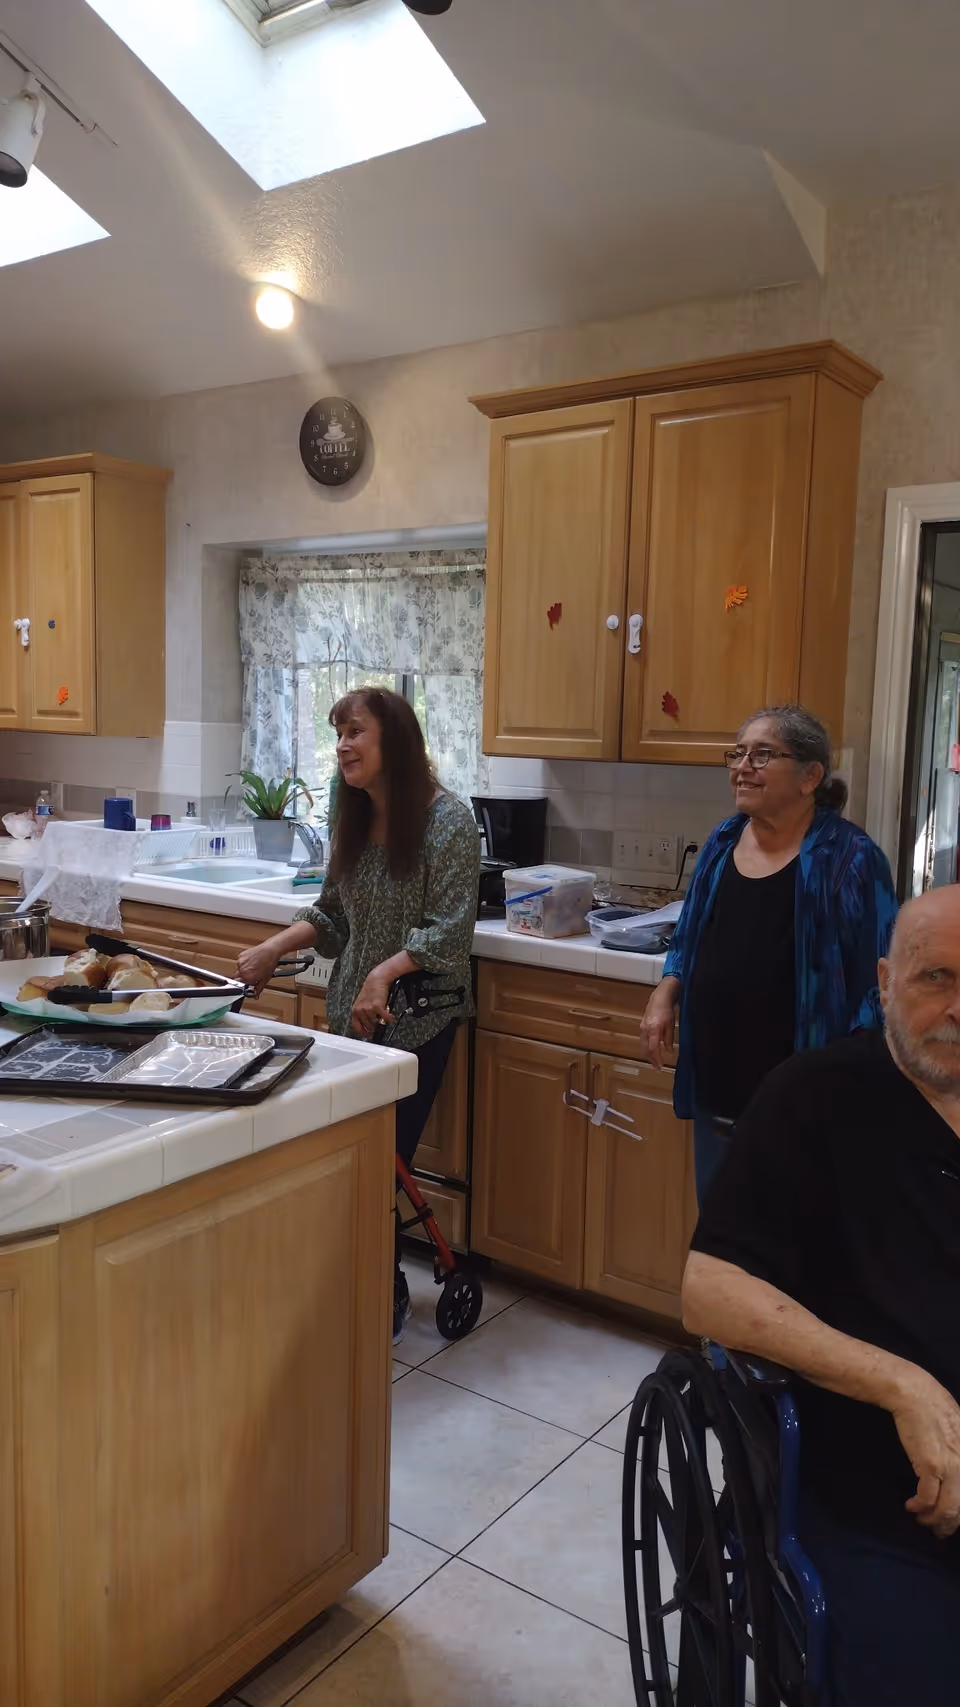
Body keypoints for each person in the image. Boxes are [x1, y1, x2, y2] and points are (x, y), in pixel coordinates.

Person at [682, 887, 960, 1707]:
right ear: (883, 981)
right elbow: (709, 1289)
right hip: (873, 1490)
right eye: (934, 977)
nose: (957, 1008)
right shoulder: (814, 1096)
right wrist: (903, 1384)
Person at [237, 689, 480, 1345]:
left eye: (354, 731)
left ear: (393, 740)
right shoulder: (355, 816)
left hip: (417, 1016)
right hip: (354, 1014)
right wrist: (271, 947)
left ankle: (380, 1288)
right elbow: (332, 918)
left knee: (375, 1160)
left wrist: (384, 972)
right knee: (348, 1157)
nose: (342, 744)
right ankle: (360, 1282)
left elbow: (451, 934)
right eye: (337, 733)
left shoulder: (448, 821)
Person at [640, 704, 898, 1202]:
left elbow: (881, 981)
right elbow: (689, 933)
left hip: (802, 1092)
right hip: (717, 1077)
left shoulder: (851, 858)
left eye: (762, 755)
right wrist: (666, 989)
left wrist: (848, 1077)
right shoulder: (723, 839)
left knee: (791, 1243)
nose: (742, 767)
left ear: (810, 776)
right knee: (722, 1231)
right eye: (737, 755)